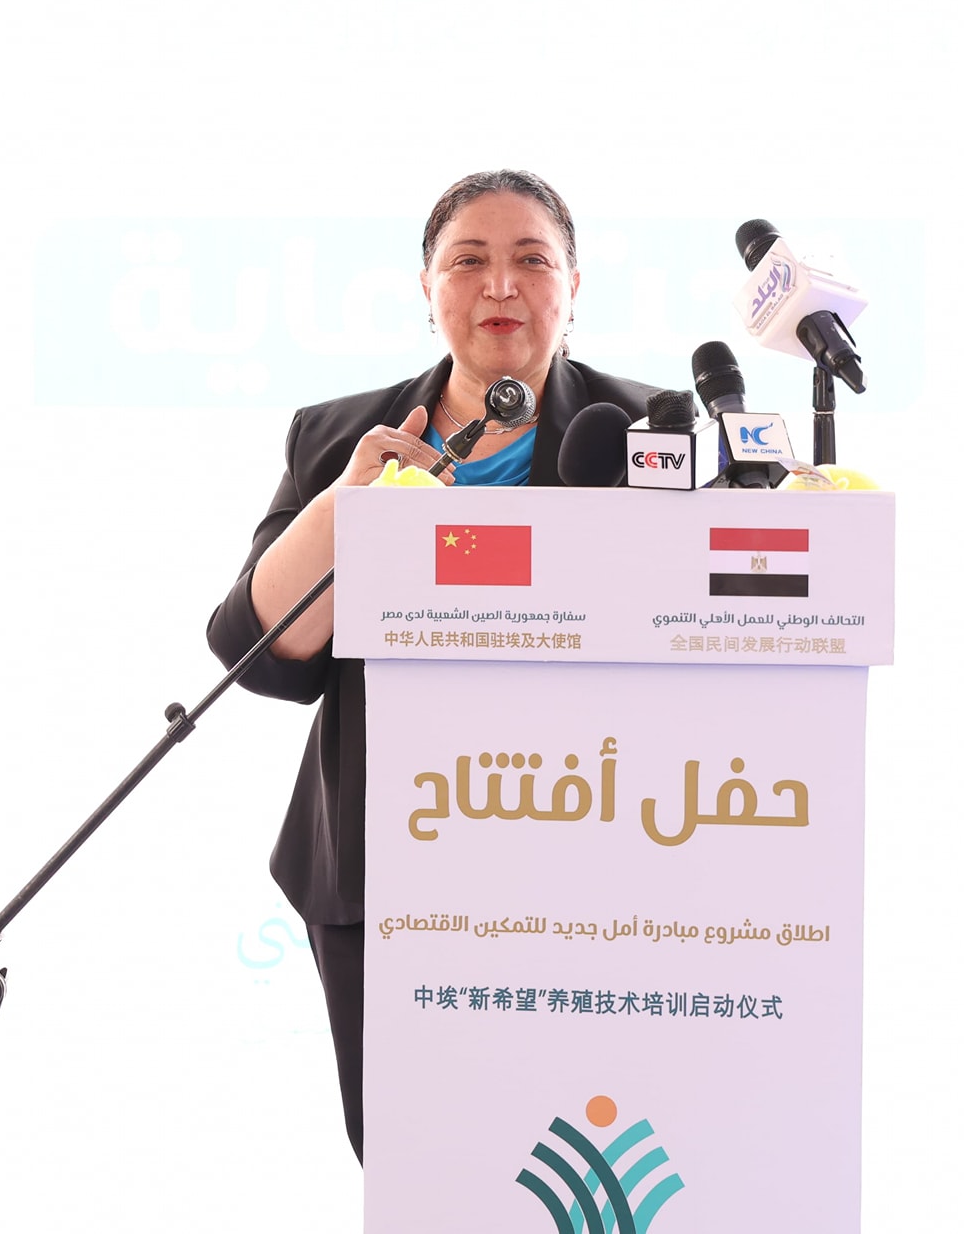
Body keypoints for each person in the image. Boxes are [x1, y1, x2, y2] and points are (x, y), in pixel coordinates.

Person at [205, 170, 661, 1161]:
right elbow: (260, 650)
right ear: (426, 287)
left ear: (572, 285)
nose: (501, 285)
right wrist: (349, 503)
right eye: (468, 261)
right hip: (388, 864)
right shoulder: (338, 436)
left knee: (572, 1164)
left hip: (595, 865)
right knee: (422, 1170)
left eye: (531, 259)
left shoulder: (649, 431)